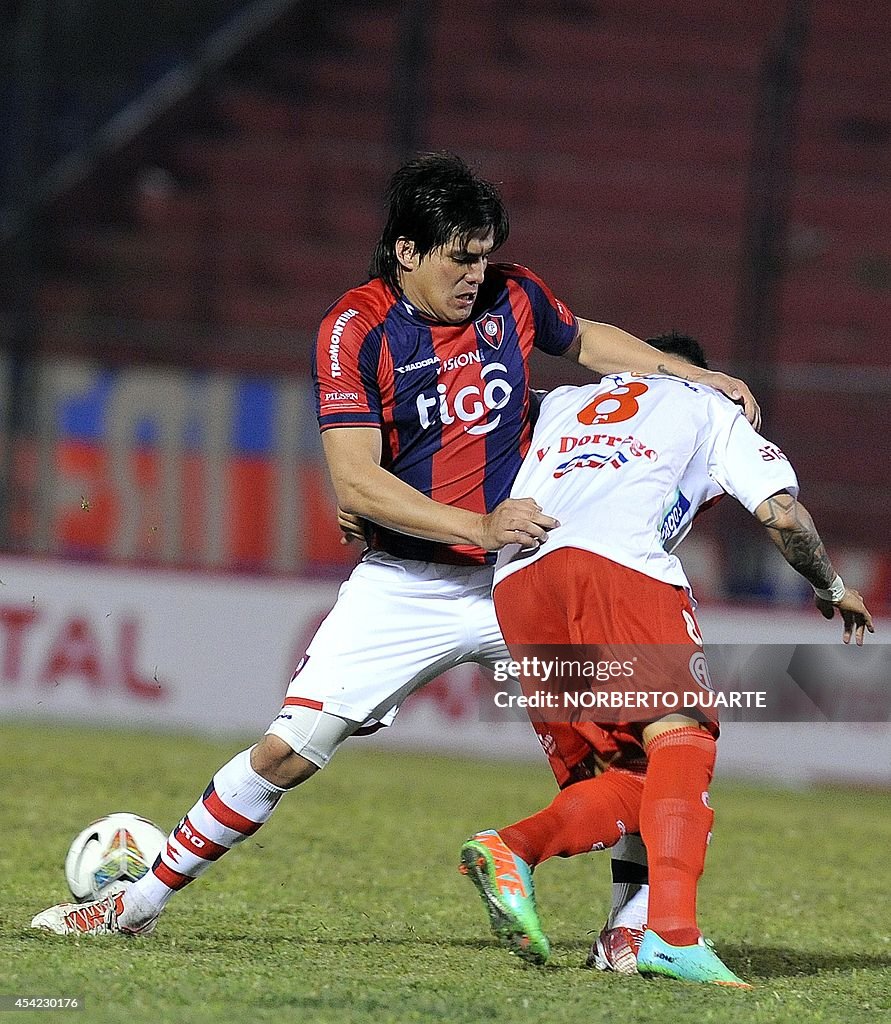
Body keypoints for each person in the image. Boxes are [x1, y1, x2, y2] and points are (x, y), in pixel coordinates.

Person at [31, 156, 760, 938]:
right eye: (459, 257)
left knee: (640, 754)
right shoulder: (355, 330)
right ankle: (134, 905)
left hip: (525, 578)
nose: (476, 274)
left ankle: (627, 936)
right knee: (291, 749)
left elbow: (583, 340)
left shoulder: (515, 294)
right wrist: (473, 525)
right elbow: (356, 483)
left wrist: (687, 375)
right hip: (410, 583)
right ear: (407, 251)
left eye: (483, 256)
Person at [458, 332, 873, 986]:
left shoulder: (564, 399)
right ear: (700, 374)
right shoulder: (707, 404)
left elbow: (464, 435)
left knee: (630, 775)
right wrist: (829, 587)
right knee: (684, 736)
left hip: (519, 581)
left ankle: (513, 851)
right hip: (617, 566)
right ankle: (672, 933)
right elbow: (781, 513)